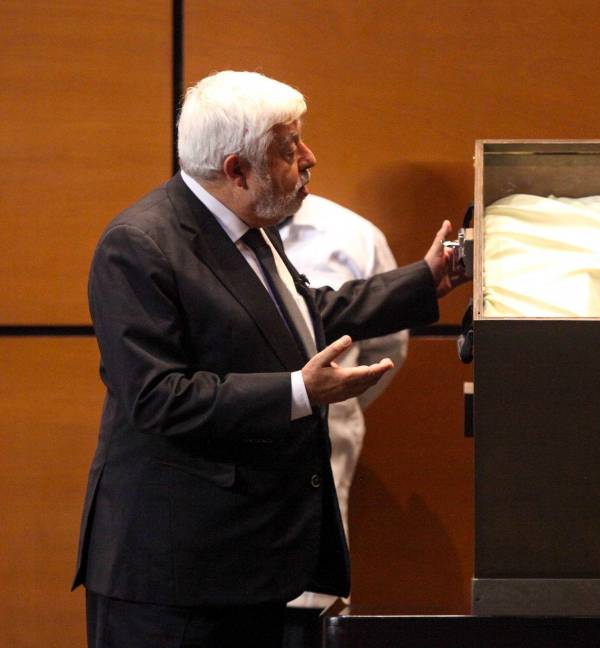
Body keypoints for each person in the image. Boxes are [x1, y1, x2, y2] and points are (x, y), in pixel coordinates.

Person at [73, 70, 466, 647]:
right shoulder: (138, 245)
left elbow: (304, 314)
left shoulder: (249, 224)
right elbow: (158, 397)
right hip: (173, 579)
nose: (310, 158)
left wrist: (424, 281)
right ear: (237, 170)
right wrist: (299, 392)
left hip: (245, 563)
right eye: (289, 148)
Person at [278, 198, 408, 621]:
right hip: (214, 496)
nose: (307, 165)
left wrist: (332, 407)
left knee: (309, 620)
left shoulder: (355, 236)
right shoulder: (190, 237)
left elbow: (386, 349)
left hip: (318, 475)